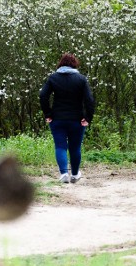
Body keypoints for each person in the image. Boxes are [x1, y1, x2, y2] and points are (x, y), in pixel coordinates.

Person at [39, 53, 96, 183]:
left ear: (60, 64)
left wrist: (48, 114)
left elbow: (43, 96)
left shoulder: (53, 78)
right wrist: (88, 117)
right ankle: (75, 175)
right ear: (74, 64)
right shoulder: (81, 79)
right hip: (77, 120)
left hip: (57, 119)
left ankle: (64, 173)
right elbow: (89, 100)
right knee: (75, 147)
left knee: (60, 146)